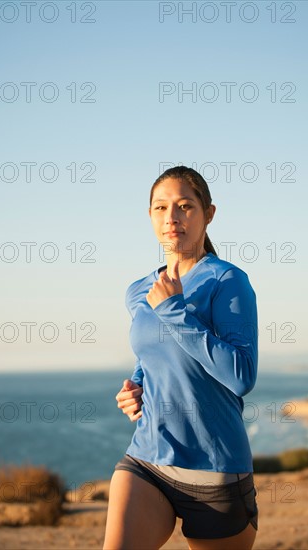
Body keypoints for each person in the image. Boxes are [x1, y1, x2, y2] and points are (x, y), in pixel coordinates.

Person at [103, 166, 259, 550]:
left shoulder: (227, 281)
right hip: (147, 460)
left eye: (185, 206)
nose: (171, 218)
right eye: (161, 208)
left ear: (209, 213)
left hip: (214, 472)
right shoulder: (139, 290)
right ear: (151, 216)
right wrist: (136, 386)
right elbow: (150, 357)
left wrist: (175, 311)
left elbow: (241, 375)